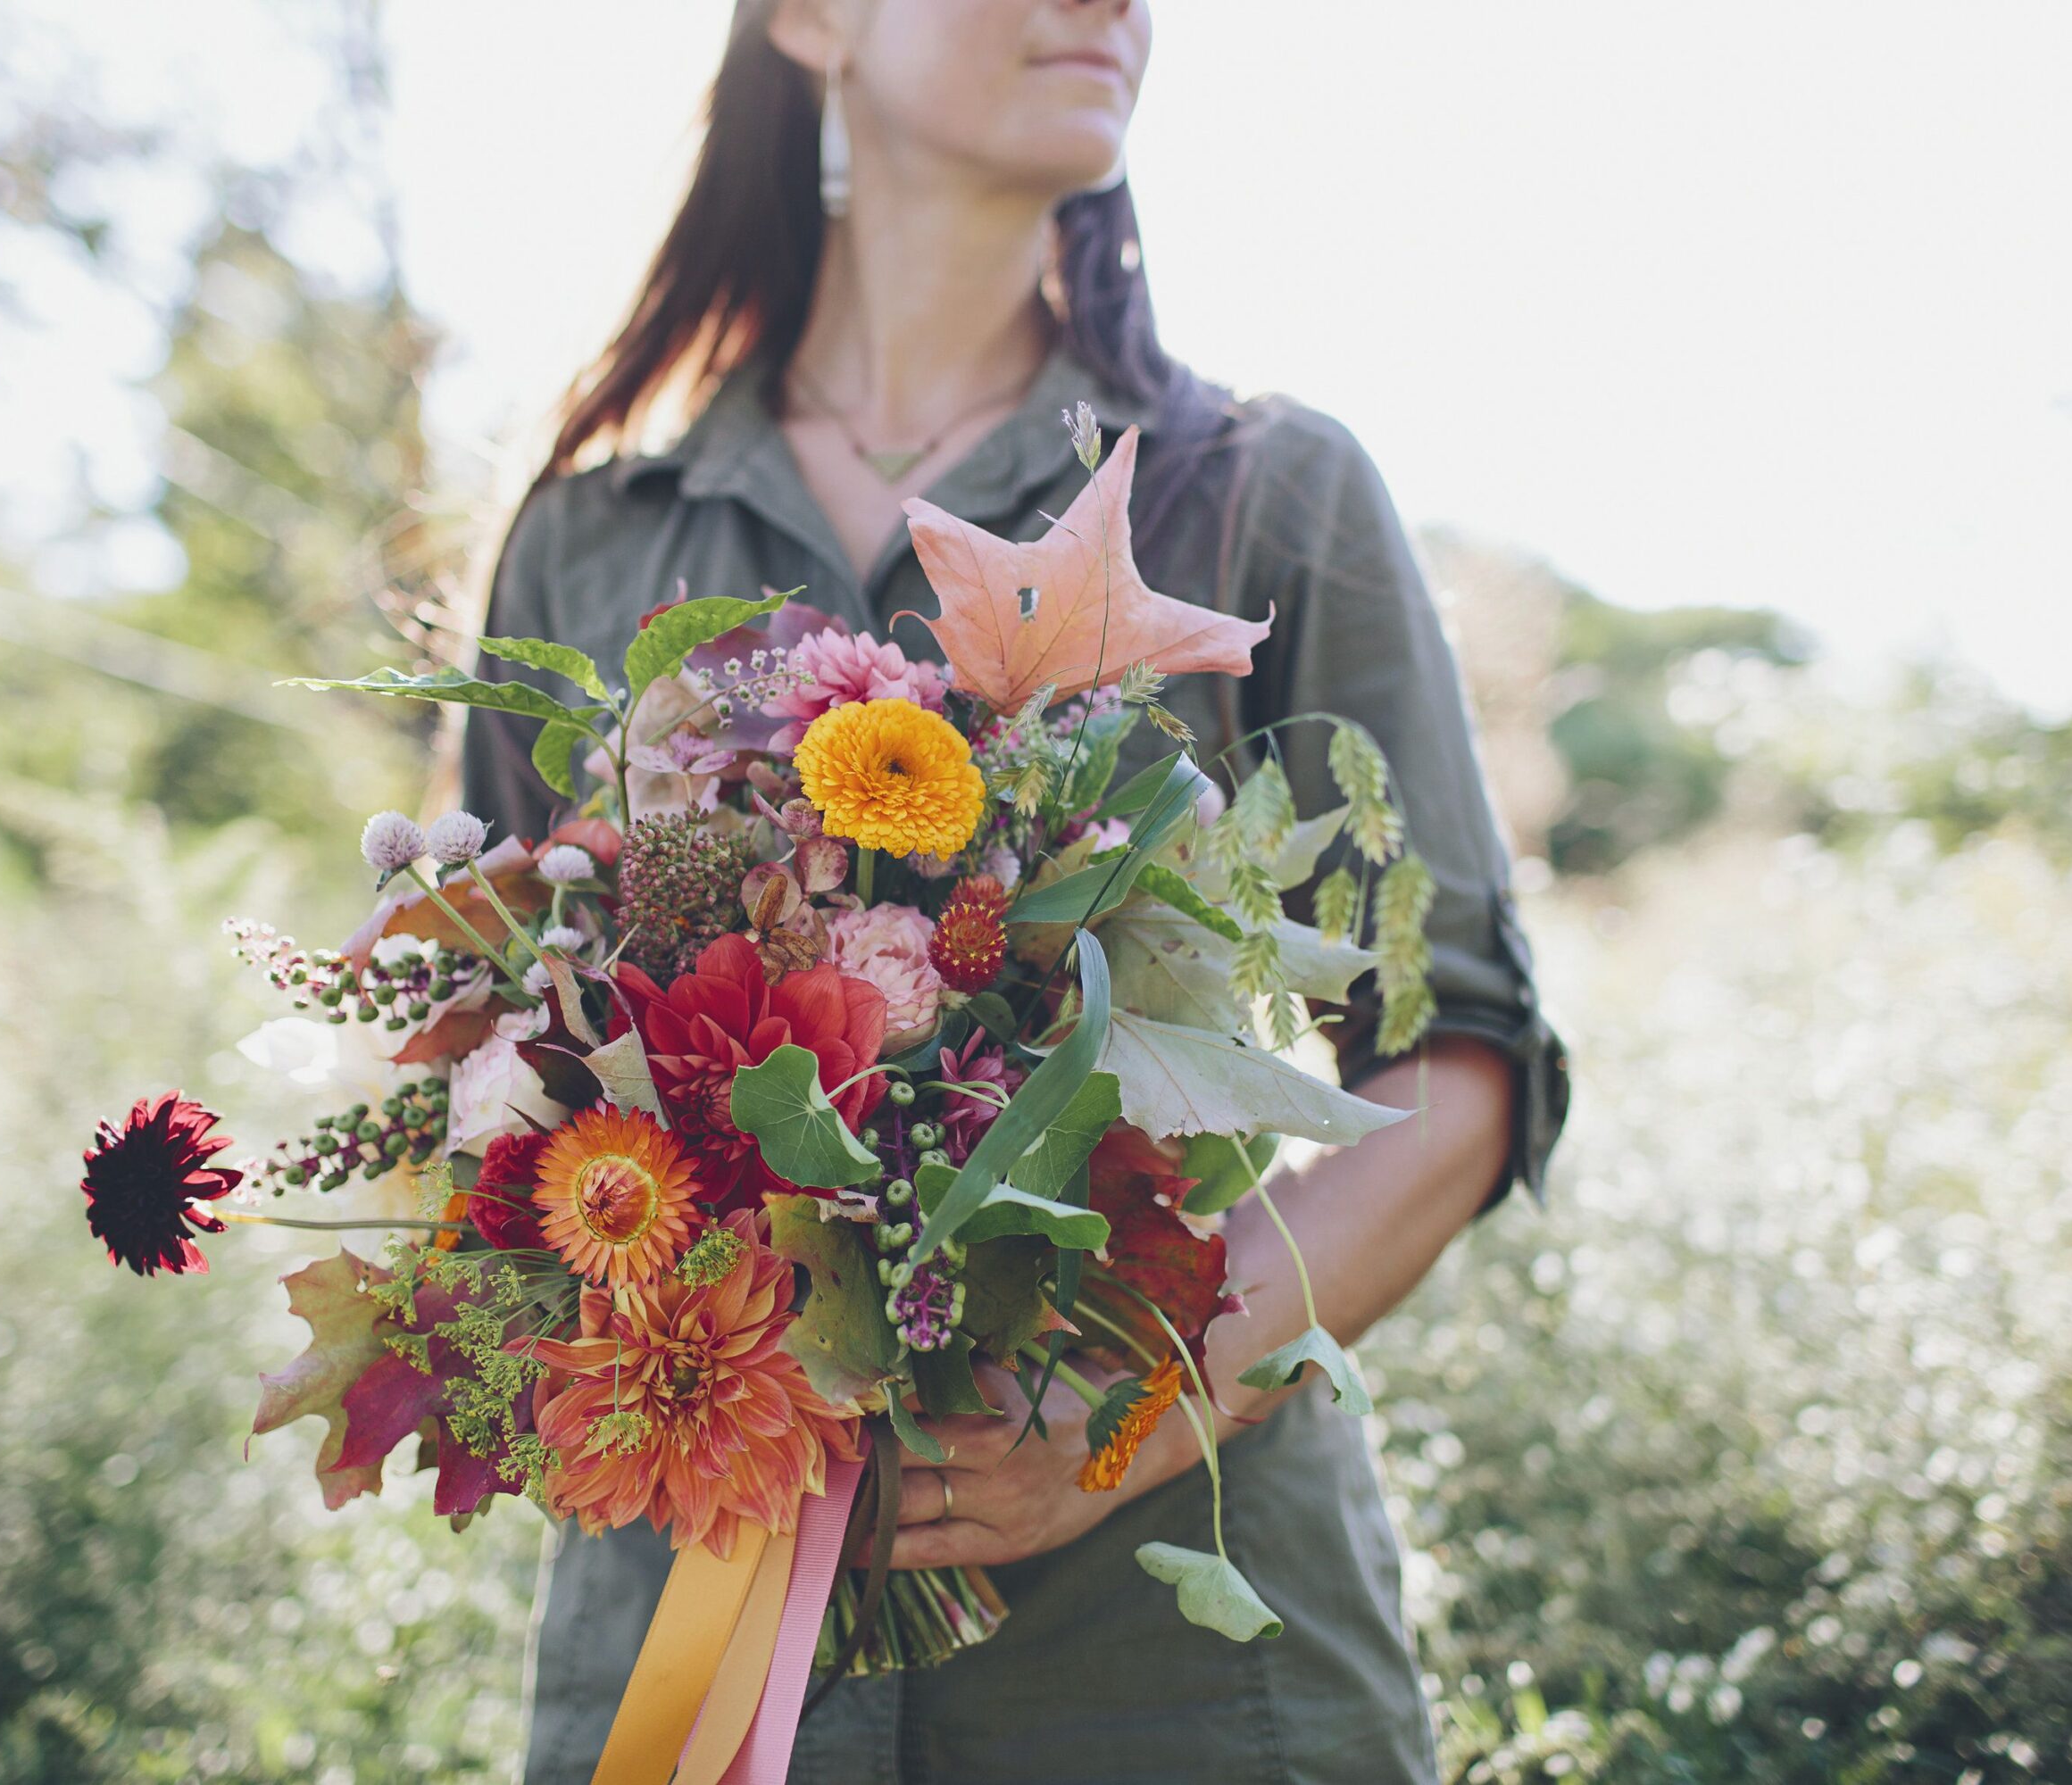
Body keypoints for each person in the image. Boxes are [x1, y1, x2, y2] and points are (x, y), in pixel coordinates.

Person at [460, 3, 1569, 1779]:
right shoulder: (591, 536)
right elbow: (501, 1069)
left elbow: (1458, 1067)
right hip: (698, 1651)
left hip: (1164, 1673)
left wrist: (1141, 1398)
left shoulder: (1259, 489)